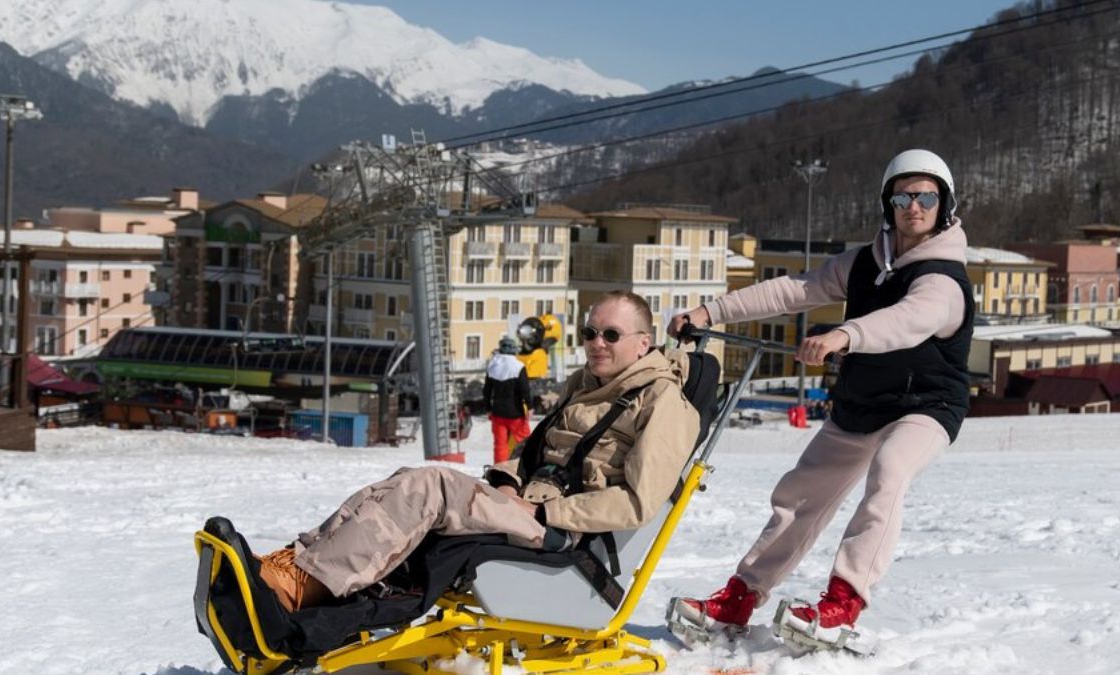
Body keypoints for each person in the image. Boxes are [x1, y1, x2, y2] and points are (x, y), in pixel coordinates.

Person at [668, 149, 973, 642]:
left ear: (944, 203)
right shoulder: (864, 263)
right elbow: (793, 291)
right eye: (902, 196)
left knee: (890, 470)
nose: (913, 206)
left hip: (927, 406)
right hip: (862, 400)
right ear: (887, 203)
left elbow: (907, 321)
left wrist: (843, 336)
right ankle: (740, 597)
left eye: (925, 196)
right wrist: (710, 313)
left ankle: (843, 603)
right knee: (800, 495)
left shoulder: (943, 278)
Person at [256, 291, 701, 612]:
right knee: (407, 479)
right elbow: (538, 453)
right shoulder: (586, 386)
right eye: (590, 332)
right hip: (529, 504)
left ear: (644, 343)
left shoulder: (663, 404)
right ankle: (296, 563)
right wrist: (508, 481)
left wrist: (544, 513)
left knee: (431, 488)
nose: (596, 342)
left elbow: (637, 502)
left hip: (567, 533)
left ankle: (307, 586)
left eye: (610, 334)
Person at [482, 335, 533, 463]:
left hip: (498, 413)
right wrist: (530, 406)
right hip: (516, 413)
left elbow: (487, 391)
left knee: (500, 444)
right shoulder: (519, 366)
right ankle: (524, 465)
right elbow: (525, 390)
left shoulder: (492, 366)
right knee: (523, 441)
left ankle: (500, 469)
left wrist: (488, 408)